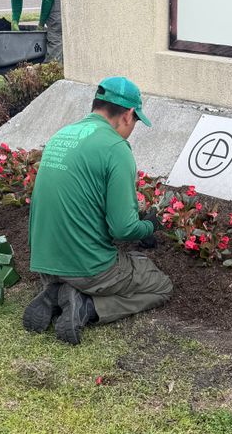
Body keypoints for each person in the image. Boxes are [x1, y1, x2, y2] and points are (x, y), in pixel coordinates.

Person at [22, 77, 172, 345]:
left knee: (82, 267)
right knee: (160, 285)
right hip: (88, 268)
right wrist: (150, 226)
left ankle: (55, 291)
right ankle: (87, 306)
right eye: (136, 121)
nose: (132, 128)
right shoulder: (116, 148)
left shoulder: (62, 135)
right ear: (128, 114)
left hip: (44, 261)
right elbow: (123, 229)